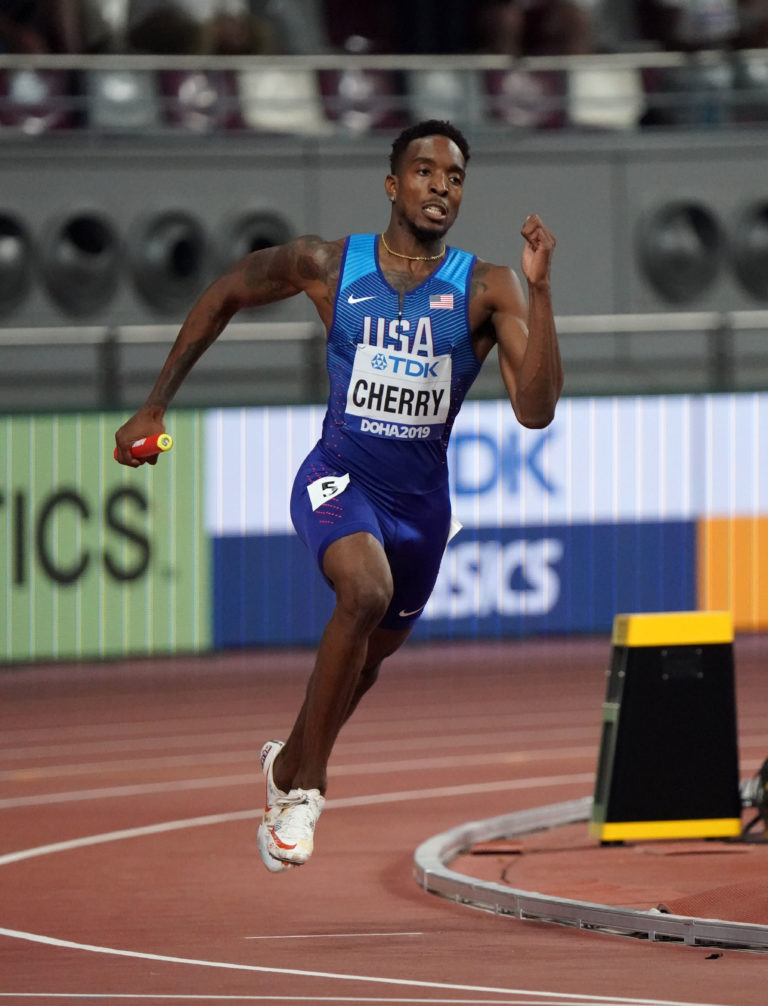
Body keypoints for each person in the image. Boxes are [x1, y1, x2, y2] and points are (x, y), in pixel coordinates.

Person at [114, 119, 563, 872]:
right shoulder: (330, 264)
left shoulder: (488, 287)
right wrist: (157, 403)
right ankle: (305, 790)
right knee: (362, 593)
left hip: (421, 513)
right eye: (425, 172)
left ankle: (287, 764)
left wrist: (542, 291)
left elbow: (537, 409)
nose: (440, 188)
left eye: (454, 178)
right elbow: (226, 291)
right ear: (394, 184)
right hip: (338, 477)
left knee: (367, 663)